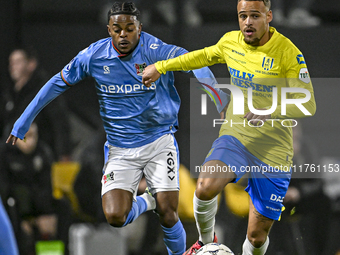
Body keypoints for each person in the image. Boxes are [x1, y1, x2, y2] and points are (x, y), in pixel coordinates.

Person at [6, 2, 228, 255]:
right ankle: (149, 201)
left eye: (129, 28)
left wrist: (218, 97)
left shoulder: (156, 50)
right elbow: (56, 83)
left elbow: (197, 62)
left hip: (159, 141)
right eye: (117, 29)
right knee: (115, 216)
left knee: (168, 213)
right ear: (109, 29)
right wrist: (23, 121)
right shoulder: (94, 55)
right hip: (120, 148)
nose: (123, 34)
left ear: (139, 28)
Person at [142, 0, 316, 254]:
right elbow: (199, 57)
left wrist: (270, 110)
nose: (247, 22)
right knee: (204, 187)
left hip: (273, 152)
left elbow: (308, 102)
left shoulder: (288, 52)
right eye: (242, 16)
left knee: (256, 237)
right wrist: (161, 66)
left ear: (269, 16)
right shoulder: (230, 42)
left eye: (254, 16)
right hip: (236, 138)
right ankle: (205, 242)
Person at [1, 47, 71, 161]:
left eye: (18, 62)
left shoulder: (46, 91)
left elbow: (60, 122)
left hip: (41, 157)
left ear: (31, 64)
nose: (13, 67)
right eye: (11, 63)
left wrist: (64, 153)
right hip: (11, 156)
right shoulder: (9, 94)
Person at [0, 122, 59, 255]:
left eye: (33, 136)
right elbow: (5, 190)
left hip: (38, 206)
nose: (29, 142)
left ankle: (58, 251)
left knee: (63, 208)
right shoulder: (4, 154)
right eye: (25, 137)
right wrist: (25, 218)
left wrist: (45, 213)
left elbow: (46, 186)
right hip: (15, 207)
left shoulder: (43, 153)